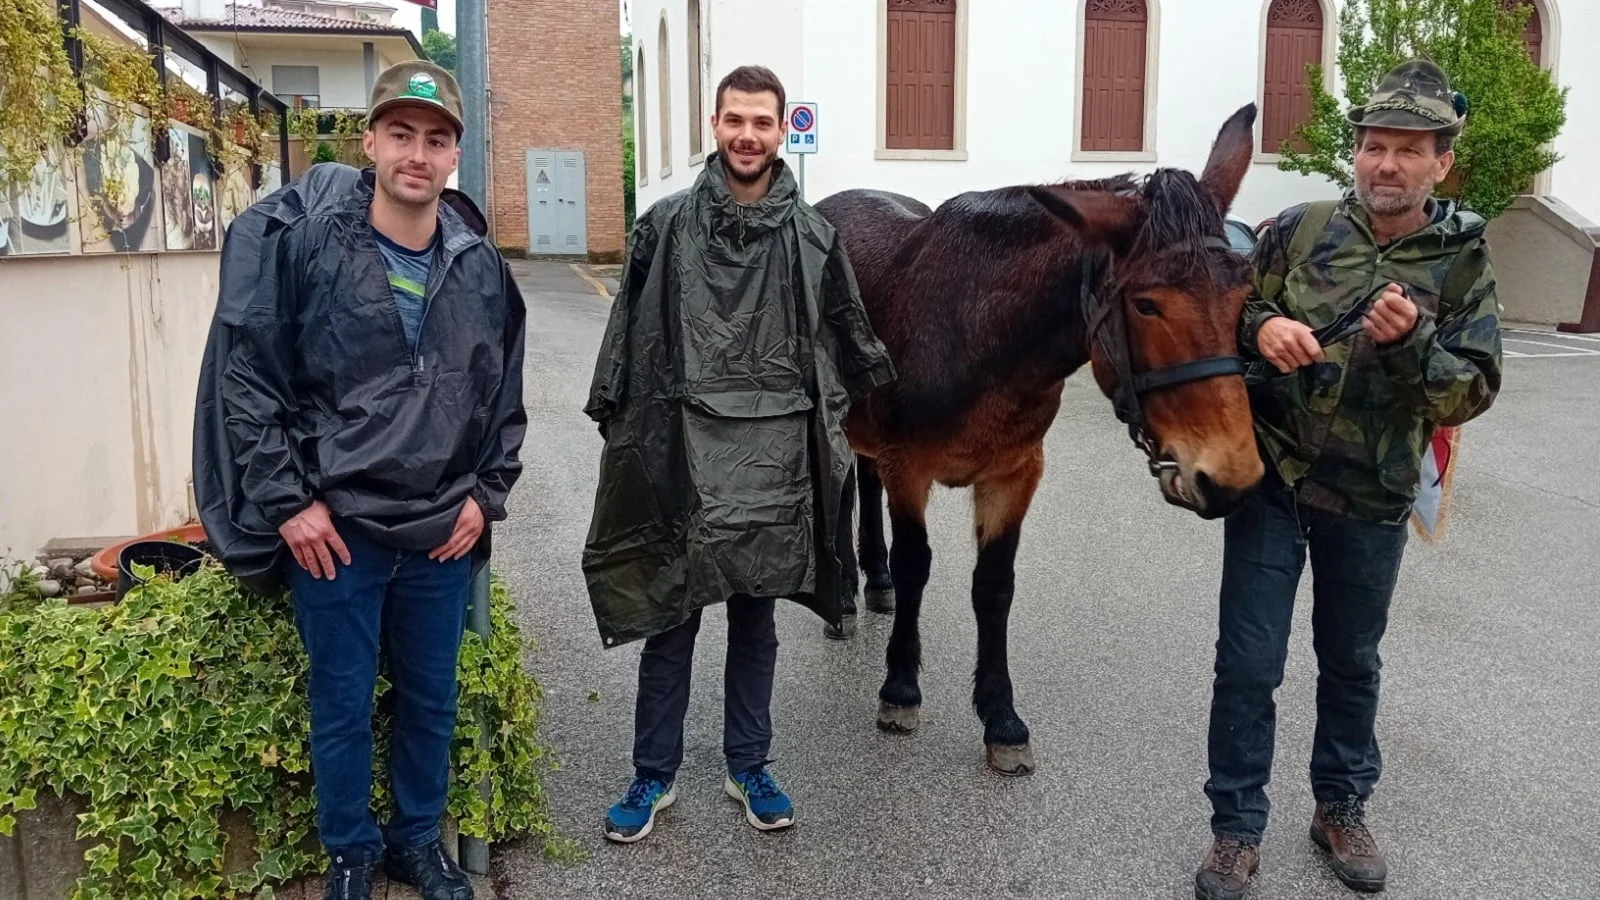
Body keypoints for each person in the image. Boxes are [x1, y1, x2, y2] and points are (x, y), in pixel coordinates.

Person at [193, 60, 527, 900]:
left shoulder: (481, 268)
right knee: (340, 706)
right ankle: (350, 850)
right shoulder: (308, 251)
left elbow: (504, 401)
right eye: (403, 134)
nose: (418, 154)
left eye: (437, 138)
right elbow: (252, 380)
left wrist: (485, 501)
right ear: (371, 140)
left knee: (430, 702)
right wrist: (291, 504)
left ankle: (418, 841)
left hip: (439, 535)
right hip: (336, 535)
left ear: (455, 156)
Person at [1194, 60, 1503, 900]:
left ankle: (1340, 807)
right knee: (1248, 662)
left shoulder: (1463, 262)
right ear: (1357, 154)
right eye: (1374, 146)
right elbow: (1230, 308)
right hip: (1273, 480)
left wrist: (1411, 345)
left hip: (1370, 498)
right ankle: (1234, 829)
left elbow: (1470, 390)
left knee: (1351, 661)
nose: (1387, 164)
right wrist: (1263, 330)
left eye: (1409, 149)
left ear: (1442, 161)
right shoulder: (1299, 228)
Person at [581, 64, 894, 844]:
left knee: (757, 623)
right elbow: (627, 343)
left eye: (762, 122)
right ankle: (653, 772)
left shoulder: (816, 237)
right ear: (714, 127)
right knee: (671, 615)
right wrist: (624, 432)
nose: (747, 135)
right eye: (735, 120)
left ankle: (748, 763)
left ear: (780, 129)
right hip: (683, 450)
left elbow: (849, 344)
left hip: (773, 463)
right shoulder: (663, 228)